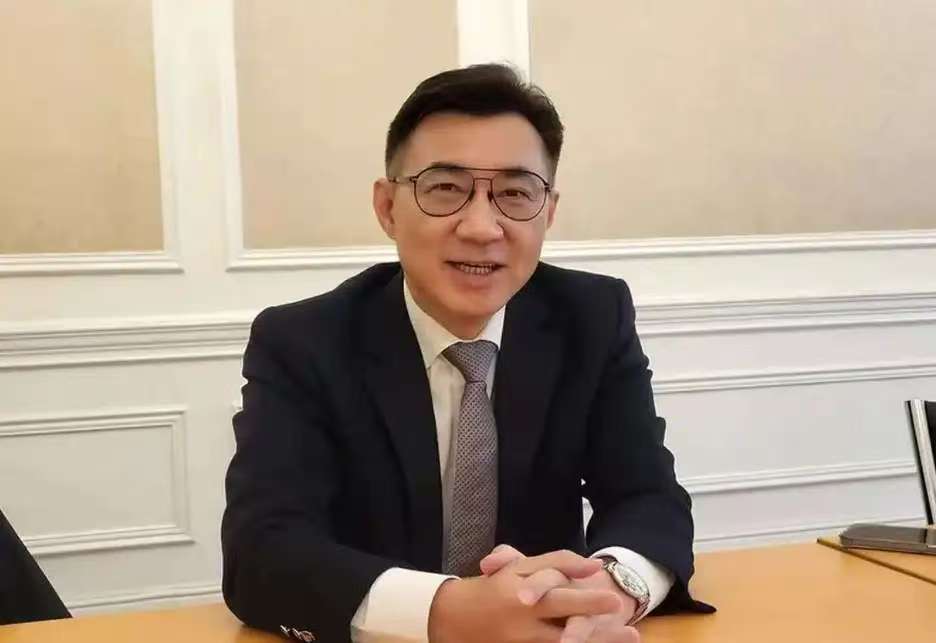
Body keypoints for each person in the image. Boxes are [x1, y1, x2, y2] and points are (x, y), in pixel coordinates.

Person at [222, 64, 711, 643]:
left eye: (516, 193)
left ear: (549, 211)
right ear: (387, 207)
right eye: (445, 189)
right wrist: (452, 611)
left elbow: (648, 498)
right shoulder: (303, 341)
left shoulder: (592, 318)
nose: (482, 227)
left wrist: (607, 590)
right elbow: (264, 552)